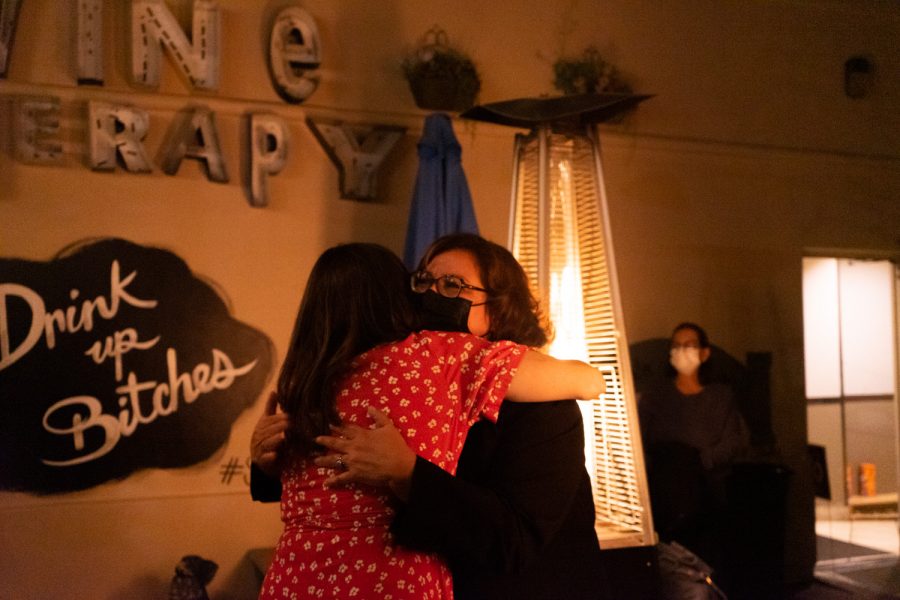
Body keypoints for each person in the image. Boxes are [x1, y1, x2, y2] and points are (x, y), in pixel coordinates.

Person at [251, 234, 610, 599]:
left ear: (498, 312)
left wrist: (408, 473)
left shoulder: (545, 406)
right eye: (422, 281)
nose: (430, 296)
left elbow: (513, 541)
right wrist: (267, 462)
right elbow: (344, 470)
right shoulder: (402, 373)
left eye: (452, 285)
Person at [637, 322, 750, 590]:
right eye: (676, 346)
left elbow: (734, 441)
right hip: (664, 501)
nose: (681, 351)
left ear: (704, 353)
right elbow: (641, 441)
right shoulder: (657, 396)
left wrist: (702, 461)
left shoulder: (720, 397)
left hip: (707, 499)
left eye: (689, 345)